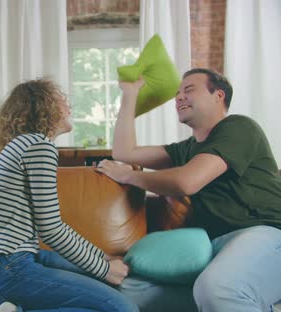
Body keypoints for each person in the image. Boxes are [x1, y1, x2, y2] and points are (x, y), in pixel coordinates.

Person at [96, 68, 281, 312]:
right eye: (178, 93)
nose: (179, 97)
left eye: (189, 90)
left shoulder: (240, 128)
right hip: (214, 245)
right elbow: (123, 152)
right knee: (127, 293)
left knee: (218, 288)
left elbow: (188, 181)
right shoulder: (186, 149)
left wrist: (129, 175)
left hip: (266, 233)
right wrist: (130, 94)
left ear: (219, 96)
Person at [0, 78, 139, 312]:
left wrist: (103, 260)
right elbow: (52, 229)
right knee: (124, 309)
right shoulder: (38, 146)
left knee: (102, 281)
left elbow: (53, 228)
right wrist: (105, 269)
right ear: (43, 106)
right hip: (8, 268)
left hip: (6, 263)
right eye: (61, 100)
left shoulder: (22, 145)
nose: (68, 105)